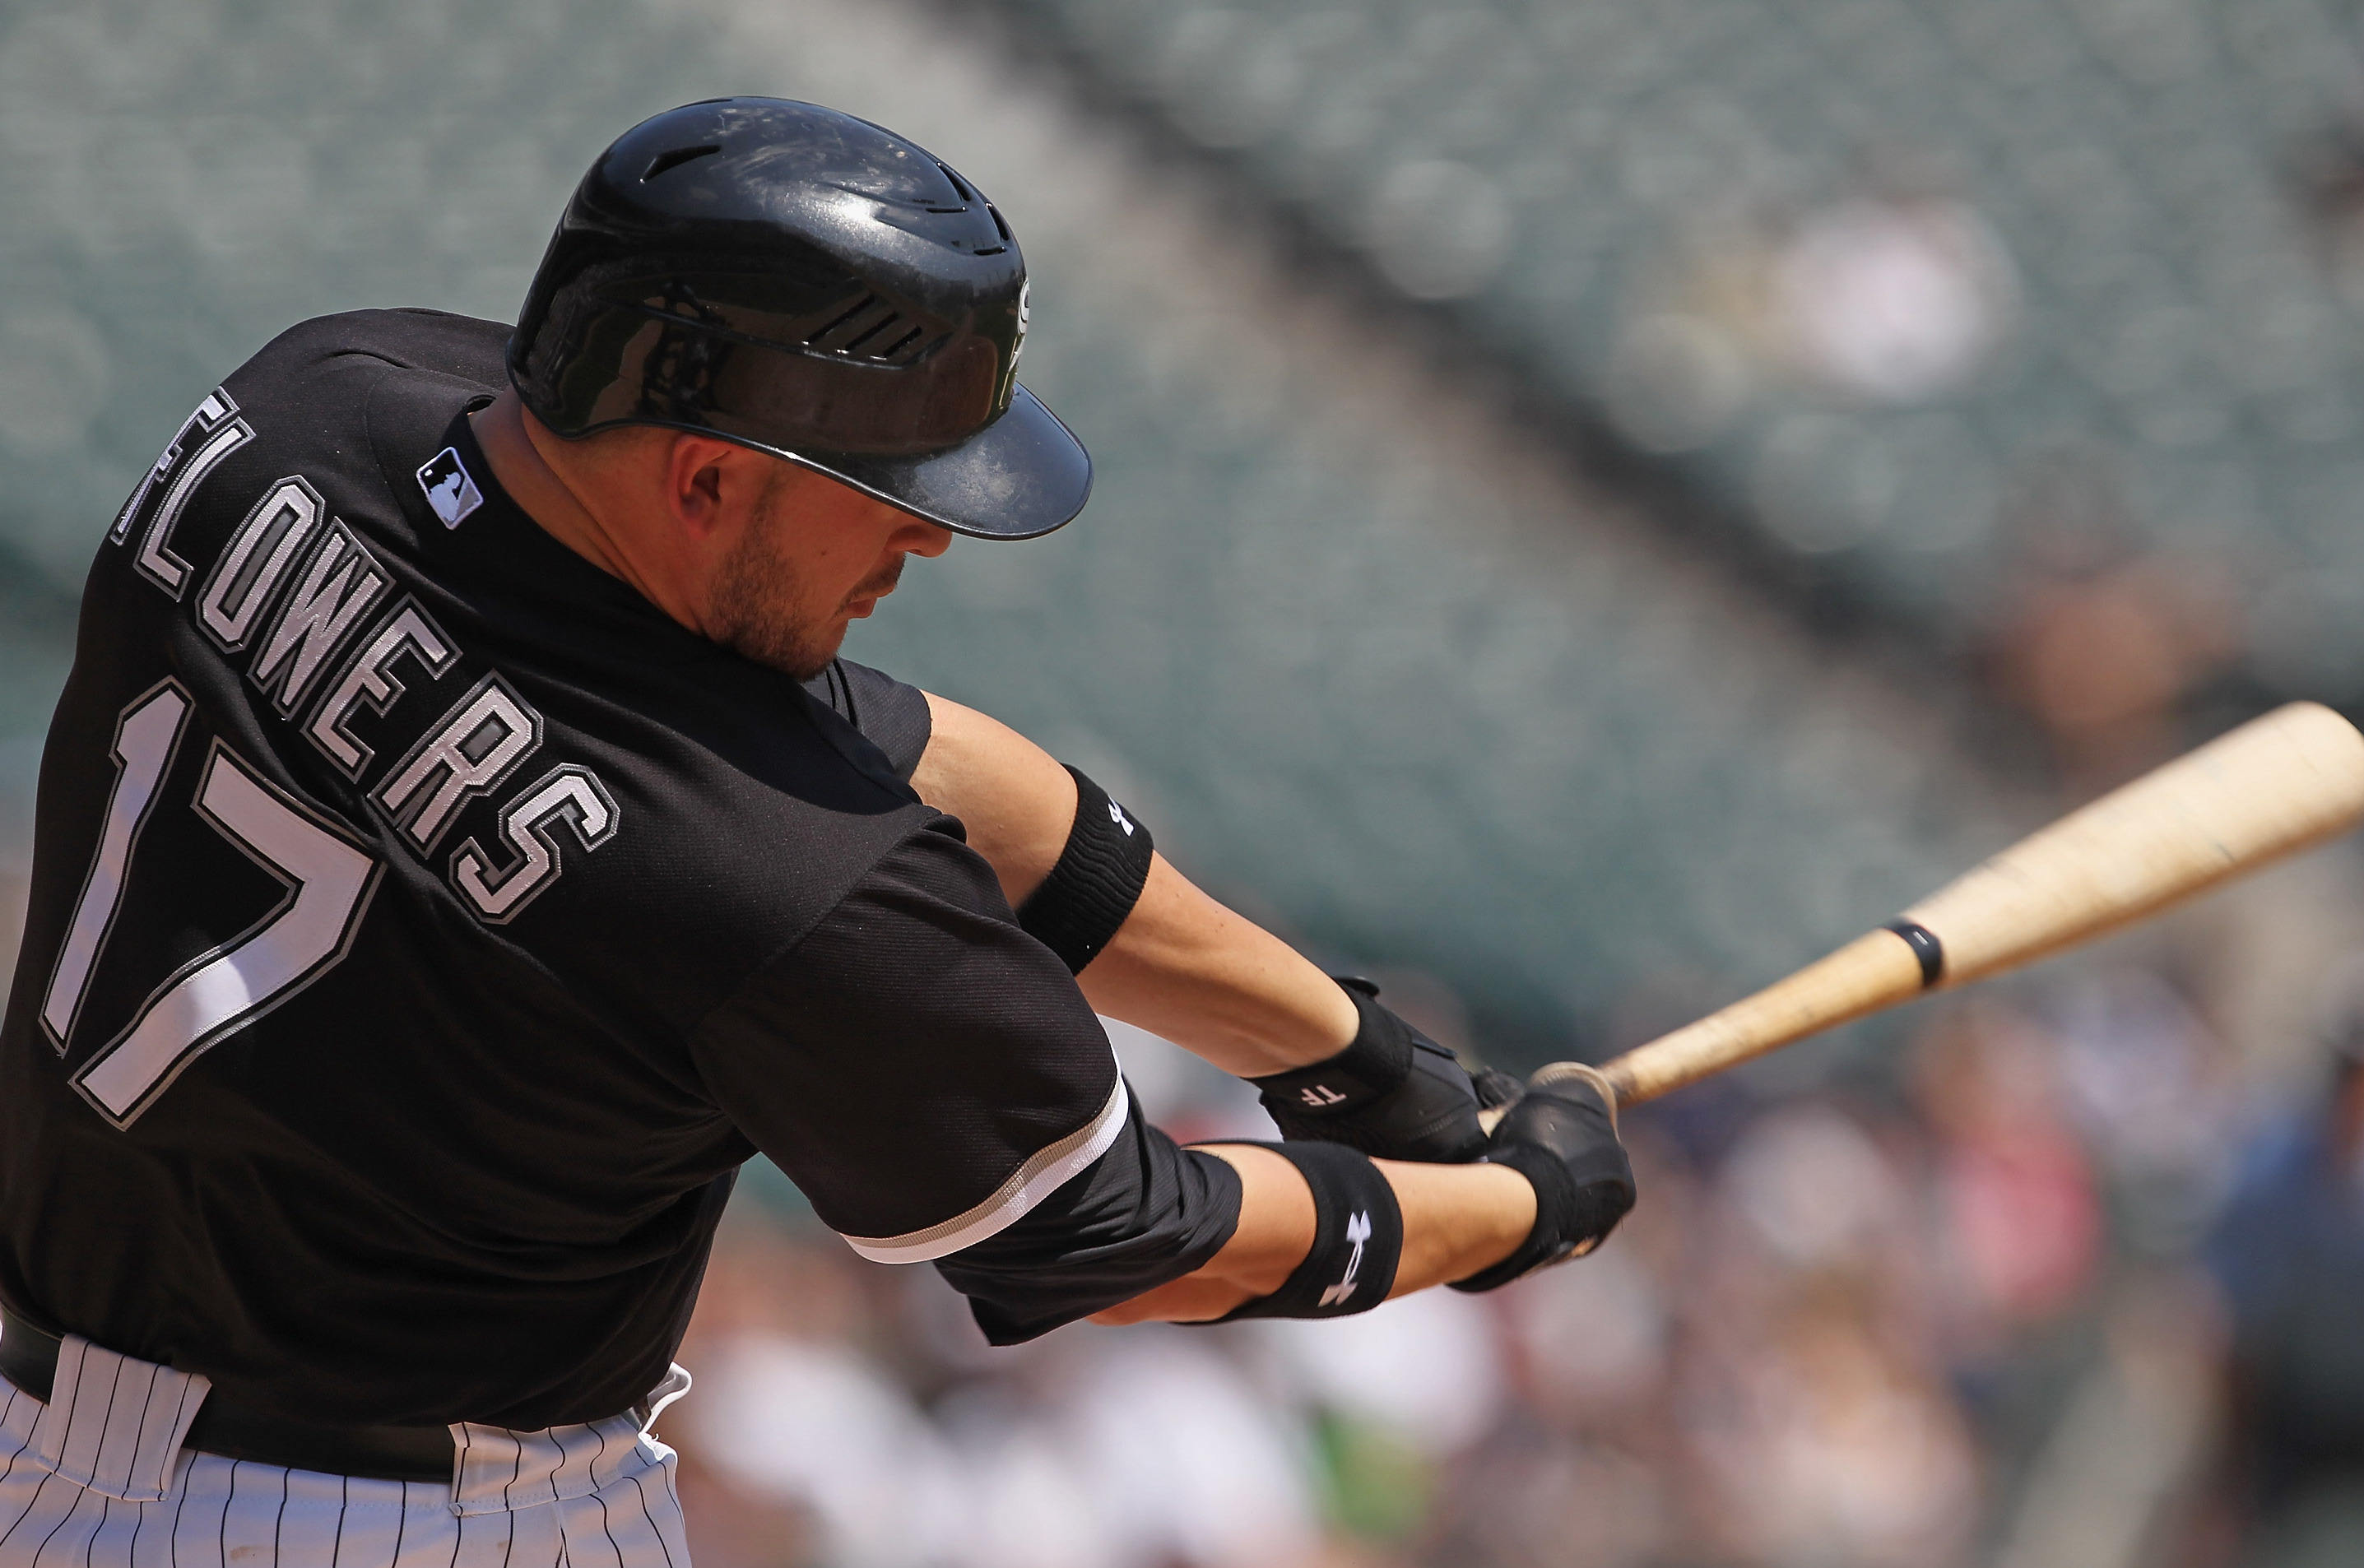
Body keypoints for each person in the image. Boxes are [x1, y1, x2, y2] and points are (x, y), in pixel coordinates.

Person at [0, 99, 1633, 1566]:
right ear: (707, 481)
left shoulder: (308, 399)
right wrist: (1515, 1208)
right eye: (891, 481)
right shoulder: (774, 882)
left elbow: (911, 760)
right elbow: (1134, 1240)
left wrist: (1347, 1044)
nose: (931, 532)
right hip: (384, 1521)